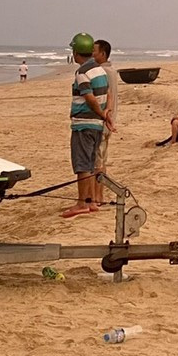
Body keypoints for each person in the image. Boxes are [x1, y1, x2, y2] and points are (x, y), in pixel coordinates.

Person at [62, 32, 114, 219]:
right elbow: (108, 94)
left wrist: (102, 113)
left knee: (82, 164)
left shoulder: (82, 72)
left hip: (84, 124)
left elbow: (89, 97)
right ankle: (91, 201)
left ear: (76, 52)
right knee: (91, 163)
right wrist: (106, 114)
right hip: (97, 125)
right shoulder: (99, 69)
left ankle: (82, 203)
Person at [92, 39, 117, 207]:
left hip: (103, 122)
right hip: (109, 121)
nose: (92, 54)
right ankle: (98, 195)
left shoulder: (102, 72)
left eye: (94, 51)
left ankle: (98, 197)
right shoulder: (112, 71)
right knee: (102, 160)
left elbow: (104, 98)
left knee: (97, 162)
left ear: (102, 53)